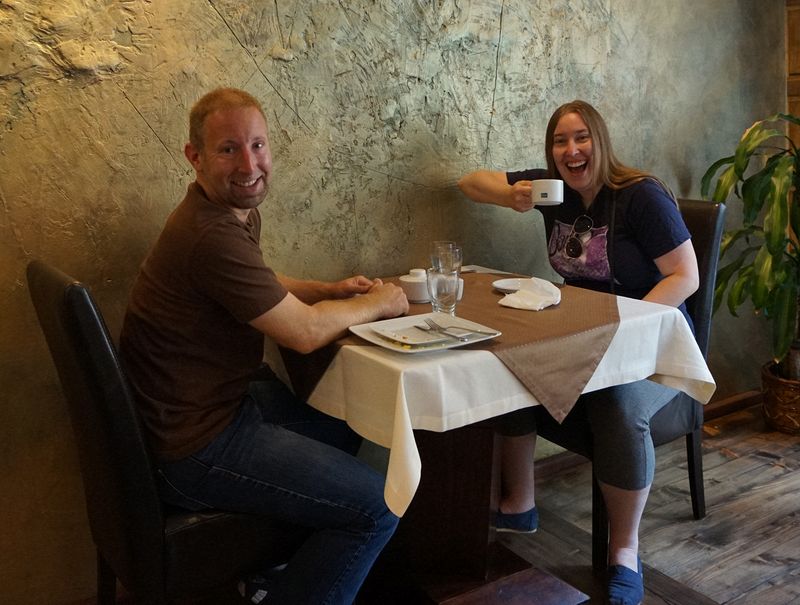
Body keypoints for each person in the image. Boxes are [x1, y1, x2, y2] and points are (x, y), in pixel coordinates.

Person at [119, 87, 409, 605]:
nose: (249, 164)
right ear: (195, 157)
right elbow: (302, 332)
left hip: (198, 415)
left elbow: (258, 281)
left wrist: (330, 290)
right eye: (228, 149)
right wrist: (381, 303)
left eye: (258, 145)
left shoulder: (224, 214)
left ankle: (279, 577)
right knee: (375, 508)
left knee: (347, 425)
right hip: (197, 447)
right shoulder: (209, 235)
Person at [457, 100, 699, 605]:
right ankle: (519, 502)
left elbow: (686, 276)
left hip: (653, 342)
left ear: (601, 141)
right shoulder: (554, 191)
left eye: (582, 137)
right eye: (560, 141)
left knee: (616, 405)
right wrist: (512, 195)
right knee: (510, 356)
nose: (572, 149)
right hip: (584, 337)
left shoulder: (641, 197)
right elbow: (468, 183)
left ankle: (624, 552)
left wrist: (627, 326)